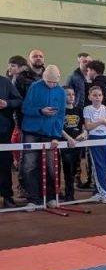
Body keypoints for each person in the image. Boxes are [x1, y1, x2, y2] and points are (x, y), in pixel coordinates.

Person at [21, 65, 66, 207]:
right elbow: (25, 108)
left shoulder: (61, 92)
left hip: (50, 133)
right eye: (49, 82)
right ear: (44, 78)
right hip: (31, 131)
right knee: (30, 165)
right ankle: (32, 199)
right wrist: (40, 111)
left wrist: (56, 136)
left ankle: (51, 197)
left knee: (51, 166)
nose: (52, 84)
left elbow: (60, 116)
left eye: (54, 82)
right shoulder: (34, 87)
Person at [60, 86, 87, 202]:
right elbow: (59, 127)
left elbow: (84, 126)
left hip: (77, 144)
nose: (71, 96)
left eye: (73, 94)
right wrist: (69, 138)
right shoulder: (61, 111)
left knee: (75, 169)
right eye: (68, 94)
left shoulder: (79, 110)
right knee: (68, 169)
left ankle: (71, 194)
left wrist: (84, 133)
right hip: (66, 144)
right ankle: (68, 195)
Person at [0, 72, 22, 207]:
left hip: (3, 131)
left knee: (4, 164)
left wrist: (7, 103)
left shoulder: (5, 82)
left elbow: (19, 100)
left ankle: (7, 196)